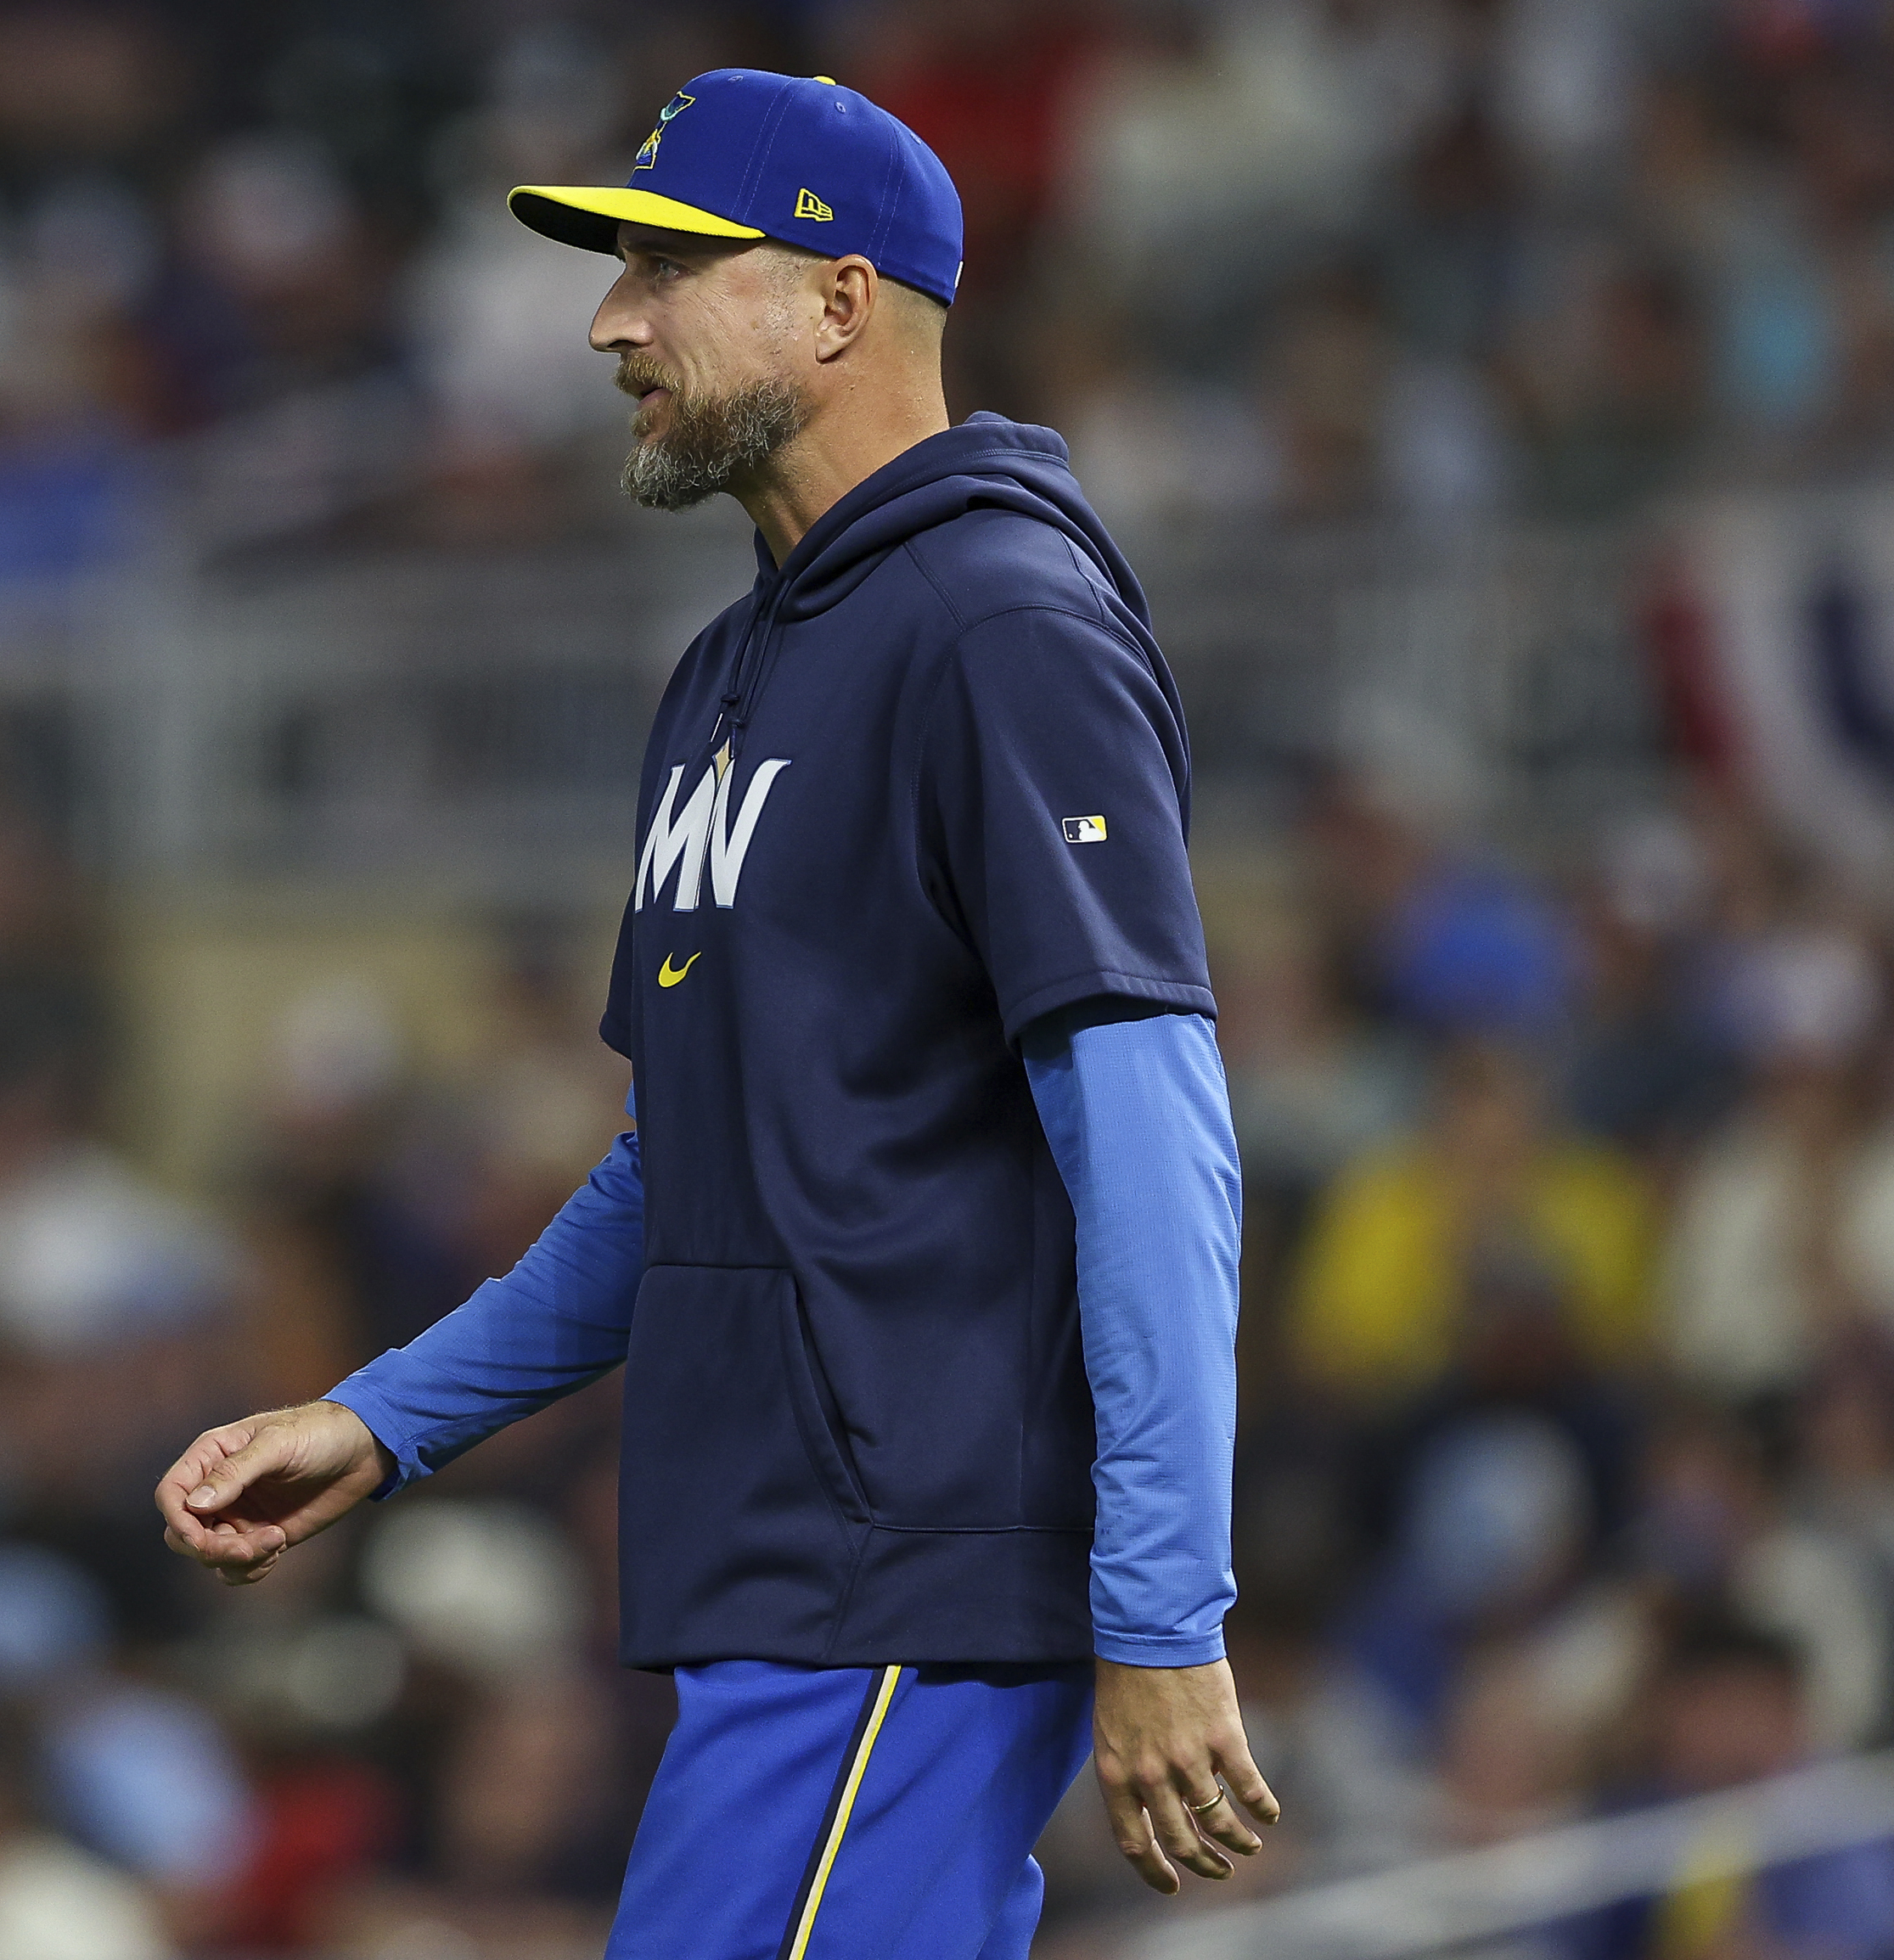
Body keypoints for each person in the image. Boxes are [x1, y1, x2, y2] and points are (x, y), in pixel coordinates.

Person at [155, 69, 1277, 1960]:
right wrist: (386, 1420)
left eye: (669, 267)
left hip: (899, 1582)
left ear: (839, 303)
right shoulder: (733, 668)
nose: (608, 322)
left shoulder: (1001, 627)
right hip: (781, 1587)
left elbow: (1156, 1140)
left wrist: (1163, 1617)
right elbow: (690, 1168)